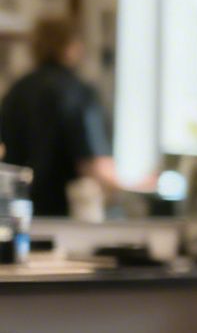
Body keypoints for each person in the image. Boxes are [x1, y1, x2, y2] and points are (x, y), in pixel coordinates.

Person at [0, 16, 121, 219]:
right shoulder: (78, 92)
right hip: (65, 214)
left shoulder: (17, 91)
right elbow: (92, 164)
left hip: (19, 210)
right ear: (71, 46)